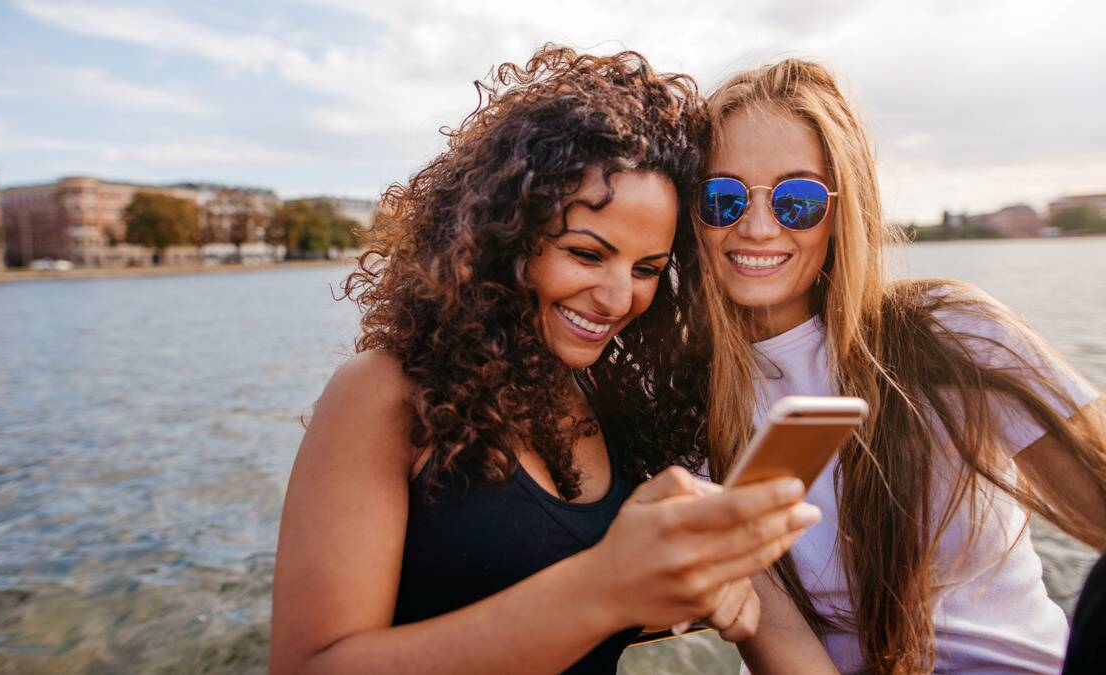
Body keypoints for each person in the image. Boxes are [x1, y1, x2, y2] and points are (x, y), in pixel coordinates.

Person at [269, 46, 821, 675]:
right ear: (507, 235)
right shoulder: (383, 394)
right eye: (586, 254)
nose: (619, 299)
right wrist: (605, 587)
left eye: (647, 269)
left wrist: (687, 579)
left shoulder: (613, 405)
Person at [689, 59, 1106, 674]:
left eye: (796, 201)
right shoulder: (684, 398)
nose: (755, 227)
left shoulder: (954, 332)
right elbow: (775, 629)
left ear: (843, 209)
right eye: (721, 198)